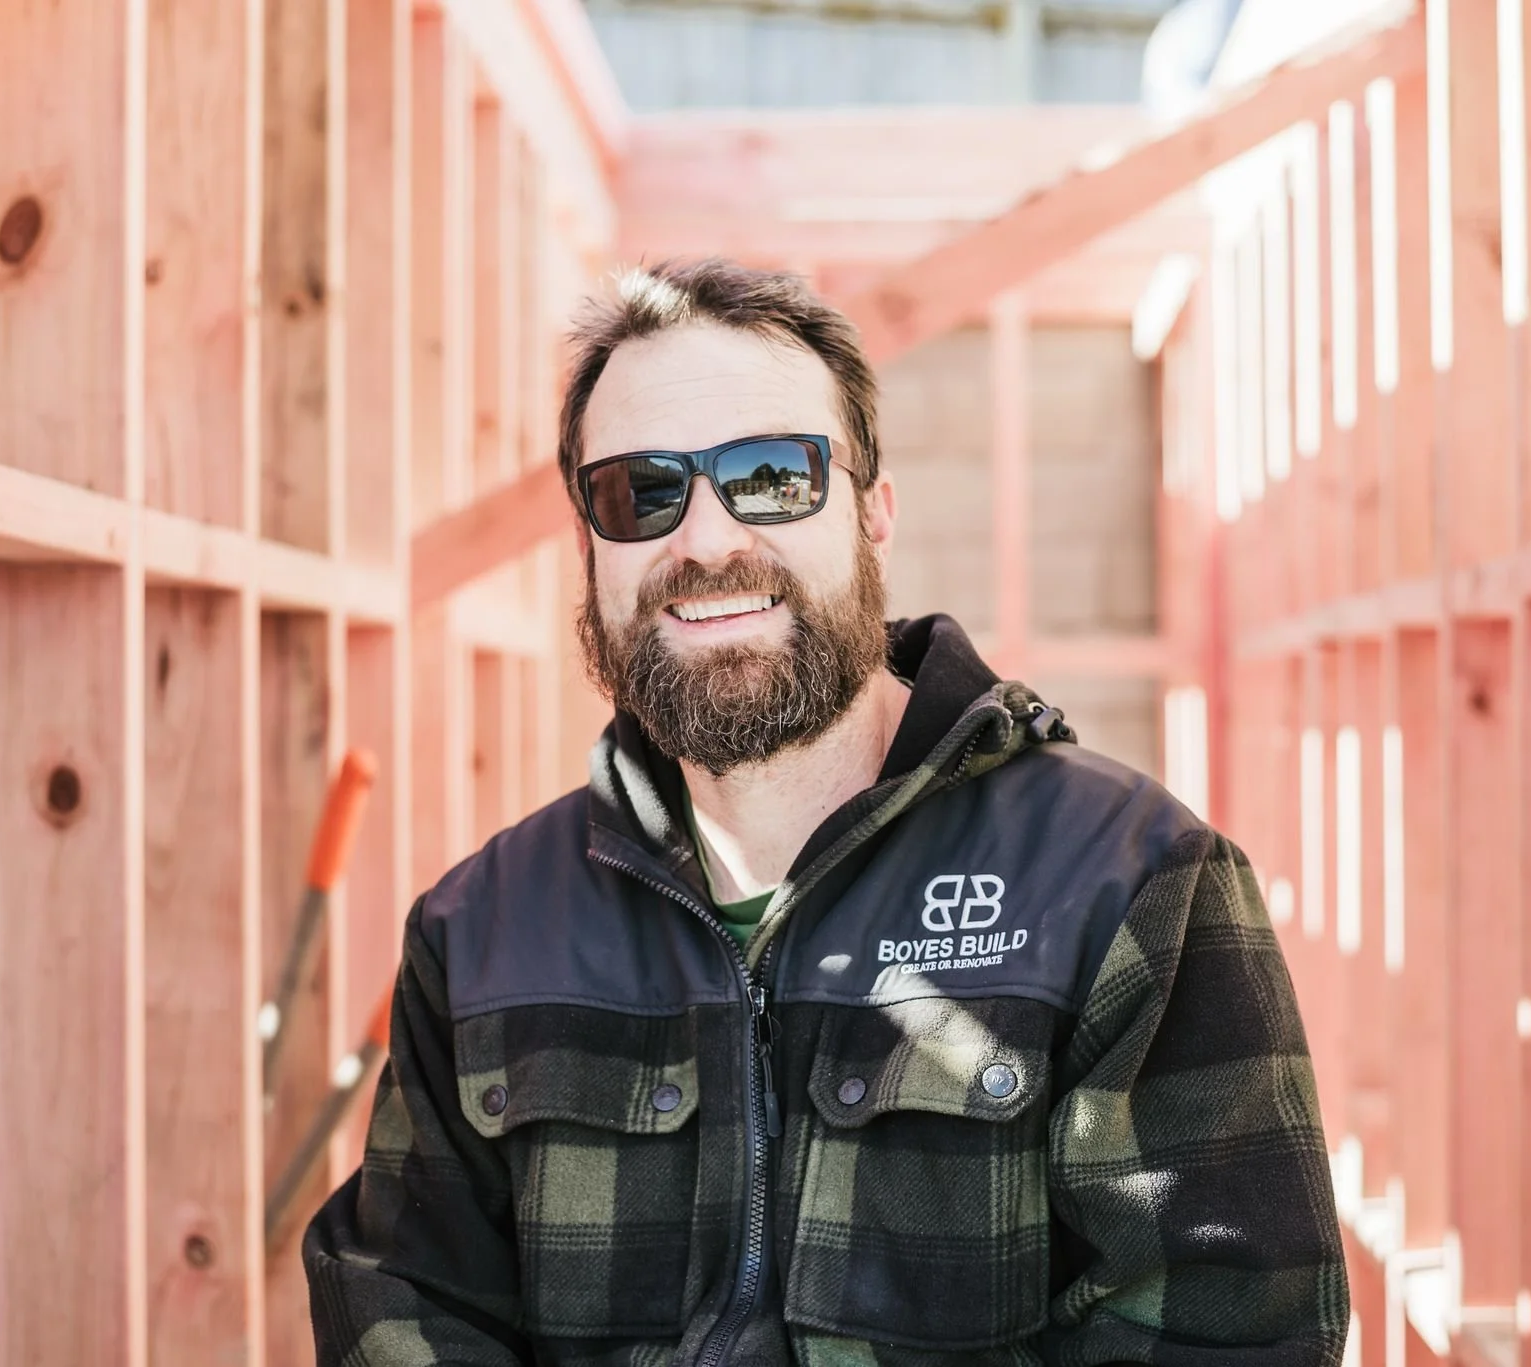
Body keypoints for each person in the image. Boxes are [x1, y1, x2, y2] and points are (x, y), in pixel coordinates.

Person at [303, 258, 1349, 1366]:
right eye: (639, 490)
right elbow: (401, 1311)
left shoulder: (1129, 885)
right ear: (589, 550)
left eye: (769, 474)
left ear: (874, 513)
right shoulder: (480, 933)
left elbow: (1228, 1334)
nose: (704, 540)